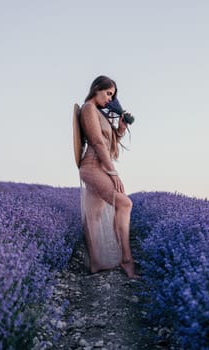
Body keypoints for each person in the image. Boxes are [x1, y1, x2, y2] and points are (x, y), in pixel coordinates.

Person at [78, 75, 138, 278]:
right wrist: (113, 173)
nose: (110, 99)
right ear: (96, 88)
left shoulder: (100, 113)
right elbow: (96, 141)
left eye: (113, 96)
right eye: (108, 93)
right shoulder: (88, 109)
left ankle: (95, 263)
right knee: (125, 203)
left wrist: (120, 129)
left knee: (93, 216)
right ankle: (126, 260)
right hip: (93, 167)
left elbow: (108, 143)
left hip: (99, 167)